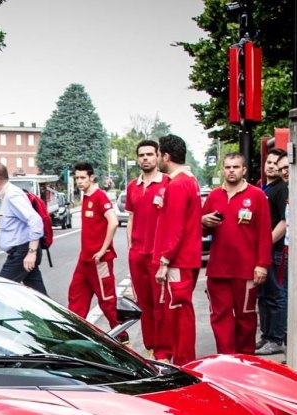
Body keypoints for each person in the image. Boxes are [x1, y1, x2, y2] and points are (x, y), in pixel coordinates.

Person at [201, 153, 272, 355]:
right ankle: (226, 358)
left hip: (247, 270)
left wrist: (262, 265)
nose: (231, 170)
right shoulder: (214, 195)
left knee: (246, 318)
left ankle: (245, 361)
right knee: (219, 317)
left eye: (236, 167)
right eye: (228, 167)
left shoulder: (257, 195)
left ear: (244, 170)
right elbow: (201, 230)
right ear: (223, 170)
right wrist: (203, 221)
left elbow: (264, 233)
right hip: (218, 270)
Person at [151, 134, 203, 365]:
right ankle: (183, 359)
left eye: (159, 153)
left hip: (178, 261)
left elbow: (175, 228)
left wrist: (164, 260)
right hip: (186, 258)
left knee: (179, 312)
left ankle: (183, 362)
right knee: (181, 310)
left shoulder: (178, 184)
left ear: (166, 156)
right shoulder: (189, 180)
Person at [124, 139, 167, 356]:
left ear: (158, 156)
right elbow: (131, 218)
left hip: (158, 256)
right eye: (142, 155)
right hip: (138, 255)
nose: (145, 158)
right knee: (144, 306)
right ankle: (150, 349)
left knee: (161, 307)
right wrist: (131, 248)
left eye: (150, 154)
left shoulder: (167, 183)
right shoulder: (132, 186)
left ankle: (163, 351)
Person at [68, 161, 119, 328]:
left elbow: (113, 221)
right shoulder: (86, 196)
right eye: (77, 178)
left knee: (107, 300)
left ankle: (120, 334)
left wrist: (103, 250)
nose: (79, 181)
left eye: (83, 178)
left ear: (91, 177)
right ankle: (75, 332)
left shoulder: (99, 196)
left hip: (99, 260)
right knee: (76, 296)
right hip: (84, 260)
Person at [0, 162, 47, 294]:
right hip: (21, 252)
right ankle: (55, 315)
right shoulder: (7, 195)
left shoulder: (12, 195)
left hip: (22, 252)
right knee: (39, 297)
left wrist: (31, 252)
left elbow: (35, 220)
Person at [257, 147, 289, 355]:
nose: (272, 166)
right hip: (264, 251)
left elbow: (284, 222)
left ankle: (276, 338)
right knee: (264, 295)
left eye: (276, 164)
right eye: (269, 162)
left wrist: (265, 244)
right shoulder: (264, 188)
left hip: (275, 251)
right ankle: (267, 335)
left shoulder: (280, 189)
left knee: (276, 295)